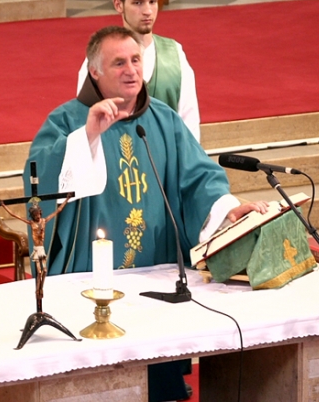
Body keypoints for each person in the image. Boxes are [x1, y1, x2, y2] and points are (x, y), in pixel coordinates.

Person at [24, 26, 268, 402]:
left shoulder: (163, 119)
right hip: (92, 277)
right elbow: (40, 180)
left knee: (158, 368)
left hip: (158, 269)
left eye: (136, 60)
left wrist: (226, 208)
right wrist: (87, 137)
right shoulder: (67, 120)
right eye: (119, 63)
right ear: (94, 71)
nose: (131, 70)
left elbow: (198, 177)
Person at [76, 0, 201, 142]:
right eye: (138, 3)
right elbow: (84, 122)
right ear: (119, 5)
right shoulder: (100, 58)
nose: (148, 11)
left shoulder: (175, 55)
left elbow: (189, 124)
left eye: (153, 2)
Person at [0, 195, 72, 308]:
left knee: (45, 270)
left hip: (42, 249)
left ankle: (41, 288)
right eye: (36, 215)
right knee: (39, 272)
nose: (38, 216)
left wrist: (67, 199)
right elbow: (14, 215)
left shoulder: (44, 221)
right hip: (36, 249)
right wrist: (4, 206)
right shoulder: (31, 223)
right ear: (33, 215)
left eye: (39, 214)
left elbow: (58, 210)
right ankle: (37, 290)